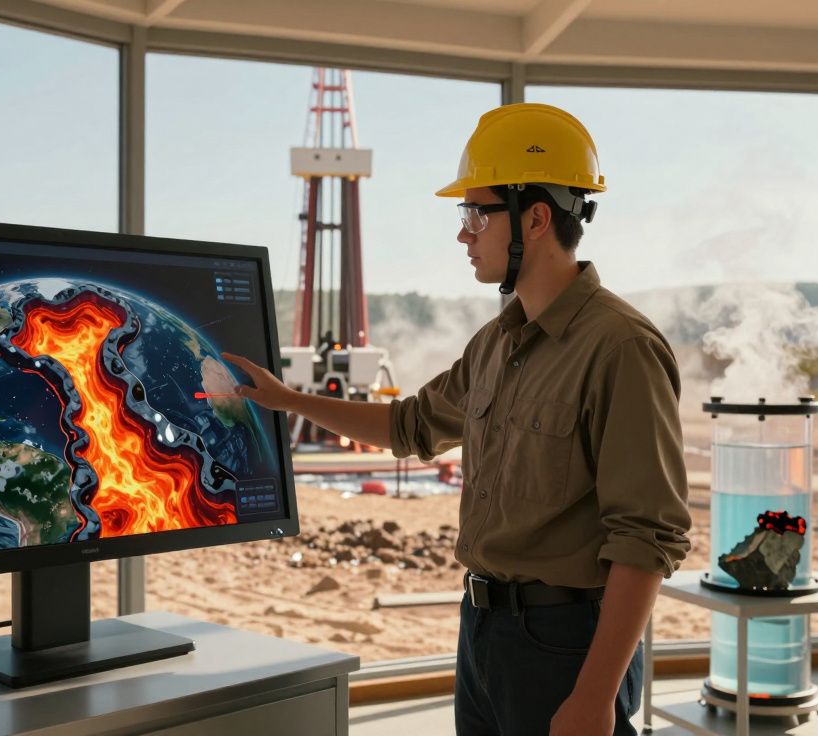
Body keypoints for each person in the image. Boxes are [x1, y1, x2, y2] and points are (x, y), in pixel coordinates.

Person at [223, 103, 692, 736]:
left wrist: (594, 697)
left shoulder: (620, 348)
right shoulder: (496, 343)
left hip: (566, 646)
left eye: (476, 213)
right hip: (483, 633)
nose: (463, 233)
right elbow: (408, 426)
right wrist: (289, 401)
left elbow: (646, 539)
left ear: (536, 216)